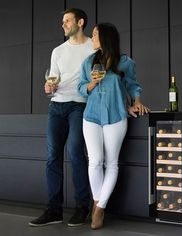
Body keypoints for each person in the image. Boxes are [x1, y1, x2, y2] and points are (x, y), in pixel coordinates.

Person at [78, 22, 149, 229]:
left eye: (95, 35)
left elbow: (133, 85)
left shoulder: (125, 62)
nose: (92, 38)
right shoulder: (88, 62)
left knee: (112, 163)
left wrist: (136, 102)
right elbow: (81, 88)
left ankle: (99, 208)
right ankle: (98, 201)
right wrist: (91, 84)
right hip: (90, 117)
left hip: (116, 116)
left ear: (106, 38)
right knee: (95, 161)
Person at [29, 8, 94, 227]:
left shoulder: (93, 48)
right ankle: (54, 210)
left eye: (67, 21)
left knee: (76, 152)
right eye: (63, 21)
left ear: (80, 22)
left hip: (80, 105)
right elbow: (52, 83)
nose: (63, 24)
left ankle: (82, 207)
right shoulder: (58, 51)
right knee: (52, 156)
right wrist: (49, 87)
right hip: (56, 106)